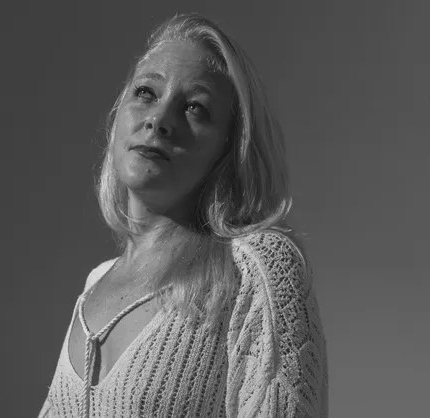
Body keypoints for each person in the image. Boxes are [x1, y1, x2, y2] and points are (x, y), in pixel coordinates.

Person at [39, 13, 328, 418]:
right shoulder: (94, 285)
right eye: (145, 92)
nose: (159, 119)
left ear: (229, 150)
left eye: (195, 107)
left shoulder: (256, 266)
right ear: (117, 115)